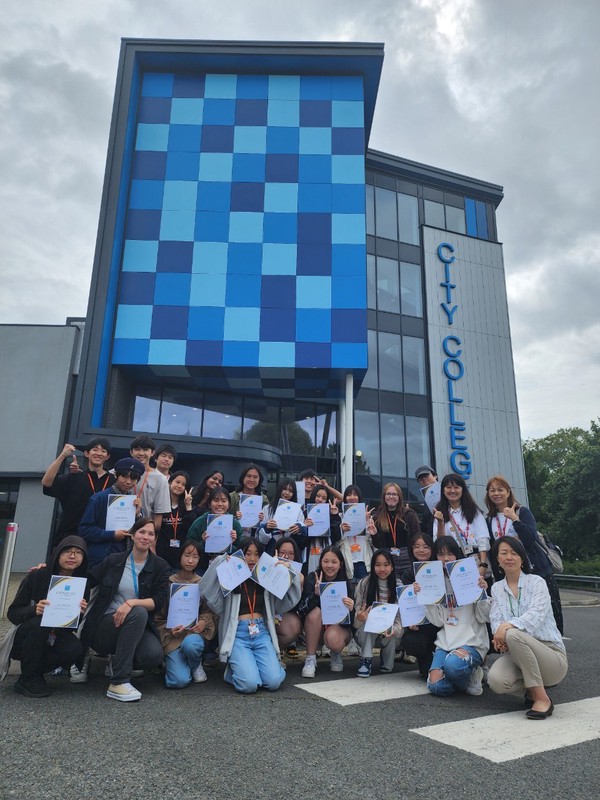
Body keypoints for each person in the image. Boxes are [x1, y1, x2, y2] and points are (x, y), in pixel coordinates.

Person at [80, 517, 170, 702]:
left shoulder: (160, 566)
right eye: (142, 532)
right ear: (132, 535)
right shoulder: (113, 561)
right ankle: (119, 681)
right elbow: (87, 580)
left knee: (152, 655)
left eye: (150, 534)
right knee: (138, 612)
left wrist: (132, 602)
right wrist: (52, 570)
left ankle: (118, 661)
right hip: (106, 624)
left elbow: (159, 601)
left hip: (136, 623)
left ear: (154, 539)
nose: (145, 537)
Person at [200, 537, 301, 694]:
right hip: (238, 634)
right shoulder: (232, 576)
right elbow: (205, 589)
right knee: (249, 685)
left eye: (256, 554)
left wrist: (287, 570)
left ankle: (257, 669)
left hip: (261, 632)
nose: (252, 559)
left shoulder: (265, 577)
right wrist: (221, 561)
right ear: (240, 554)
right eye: (247, 554)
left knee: (273, 682)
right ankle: (234, 672)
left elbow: (288, 601)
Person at [487, 537, 568, 719]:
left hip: (550, 655)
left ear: (522, 558)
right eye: (504, 553)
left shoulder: (537, 582)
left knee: (512, 633)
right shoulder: (497, 588)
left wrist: (506, 628)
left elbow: (536, 616)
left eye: (514, 553)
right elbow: (495, 620)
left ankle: (542, 698)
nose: (509, 557)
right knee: (496, 681)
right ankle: (531, 691)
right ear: (497, 559)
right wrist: (499, 635)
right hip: (518, 653)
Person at [7, 536, 89, 698]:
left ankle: (32, 674)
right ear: (57, 553)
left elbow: (71, 628)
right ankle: (30, 678)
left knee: (74, 648)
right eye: (67, 551)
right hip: (26, 636)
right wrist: (34, 610)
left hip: (55, 634)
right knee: (40, 623)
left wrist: (78, 614)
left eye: (78, 553)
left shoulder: (81, 583)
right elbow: (13, 613)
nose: (72, 556)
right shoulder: (37, 576)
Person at [485, 474, 563, 634]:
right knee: (516, 615)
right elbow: (494, 552)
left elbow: (530, 539)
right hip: (510, 575)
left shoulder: (522, 512)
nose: (496, 493)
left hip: (536, 570)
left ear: (508, 492)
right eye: (492, 490)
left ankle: (553, 645)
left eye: (500, 489)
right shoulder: (489, 520)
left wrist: (514, 519)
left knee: (547, 615)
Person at [415, 535, 490, 697]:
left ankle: (467, 671)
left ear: (457, 554)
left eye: (450, 553)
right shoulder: (435, 581)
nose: (446, 559)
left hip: (472, 641)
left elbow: (483, 617)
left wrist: (481, 593)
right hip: (446, 642)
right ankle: (467, 677)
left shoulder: (469, 576)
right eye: (441, 554)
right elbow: (437, 622)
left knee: (453, 666)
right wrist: (424, 596)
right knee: (435, 686)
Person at [155, 540, 217, 688]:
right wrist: (170, 629)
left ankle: (195, 665)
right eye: (187, 555)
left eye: (195, 557)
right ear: (180, 556)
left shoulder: (202, 583)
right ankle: (178, 664)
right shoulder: (169, 582)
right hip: (173, 637)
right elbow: (159, 616)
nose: (190, 560)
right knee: (178, 681)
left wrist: (203, 622)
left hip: (193, 635)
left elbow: (210, 612)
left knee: (191, 645)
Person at [42, 438, 114, 548]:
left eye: (103, 451)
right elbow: (46, 483)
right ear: (86, 453)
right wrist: (63, 455)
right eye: (95, 450)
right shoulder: (74, 477)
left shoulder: (114, 481)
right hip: (71, 539)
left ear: (107, 456)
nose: (99, 453)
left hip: (102, 540)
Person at [299, 545, 355, 678]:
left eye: (334, 562)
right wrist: (315, 595)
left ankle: (336, 653)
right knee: (315, 613)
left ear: (340, 564)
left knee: (333, 639)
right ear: (320, 562)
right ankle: (310, 658)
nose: (330, 565)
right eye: (326, 561)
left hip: (337, 629)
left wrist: (351, 609)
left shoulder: (345, 582)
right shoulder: (312, 578)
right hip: (315, 630)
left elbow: (352, 623)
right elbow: (302, 610)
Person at [78, 457, 145, 566]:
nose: (128, 482)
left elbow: (139, 532)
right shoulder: (99, 498)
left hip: (125, 558)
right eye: (124, 476)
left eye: (133, 478)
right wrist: (112, 534)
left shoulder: (134, 501)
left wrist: (138, 514)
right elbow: (84, 530)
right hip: (101, 558)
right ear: (116, 475)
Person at [354, 549, 403, 677]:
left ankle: (387, 661)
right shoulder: (364, 583)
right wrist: (360, 617)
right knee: (371, 623)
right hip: (366, 633)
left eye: (386, 565)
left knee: (388, 669)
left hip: (389, 633)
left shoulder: (398, 585)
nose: (382, 569)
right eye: (377, 565)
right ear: (372, 566)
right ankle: (365, 659)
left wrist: (394, 629)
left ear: (392, 567)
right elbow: (357, 614)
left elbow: (400, 617)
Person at [433, 473, 490, 577]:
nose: (452, 491)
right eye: (448, 487)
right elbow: (439, 542)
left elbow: (482, 538)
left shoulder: (474, 511)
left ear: (463, 489)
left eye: (456, 487)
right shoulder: (439, 511)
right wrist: (440, 522)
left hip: (474, 559)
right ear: (443, 490)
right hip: (451, 560)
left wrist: (483, 564)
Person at [400, 532, 440, 678]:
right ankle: (425, 661)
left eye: (426, 547)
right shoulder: (408, 574)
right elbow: (408, 603)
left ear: (432, 549)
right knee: (413, 640)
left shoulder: (440, 569)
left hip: (440, 620)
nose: (421, 550)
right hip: (420, 623)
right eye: (416, 546)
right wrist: (411, 620)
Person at [368, 482, 420, 579]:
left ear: (399, 497)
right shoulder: (377, 517)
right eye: (388, 494)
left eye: (394, 494)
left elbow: (416, 538)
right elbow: (377, 545)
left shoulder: (409, 515)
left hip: (407, 557)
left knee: (408, 584)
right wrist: (374, 534)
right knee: (391, 585)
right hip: (387, 559)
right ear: (384, 497)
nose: (391, 497)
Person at [187, 486, 243, 571]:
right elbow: (188, 547)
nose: (220, 504)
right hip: (202, 567)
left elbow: (240, 551)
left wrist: (232, 544)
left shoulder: (235, 524)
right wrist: (203, 542)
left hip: (227, 567)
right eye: (216, 500)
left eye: (224, 501)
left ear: (229, 504)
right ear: (209, 504)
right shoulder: (199, 522)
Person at [129, 434, 172, 530]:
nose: (141, 453)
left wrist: (152, 538)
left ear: (152, 453)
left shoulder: (160, 479)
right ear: (131, 452)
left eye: (145, 450)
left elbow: (158, 515)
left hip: (144, 531)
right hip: (118, 530)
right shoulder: (117, 473)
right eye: (137, 449)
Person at [156, 471, 197, 569]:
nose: (179, 486)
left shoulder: (186, 506)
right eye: (177, 482)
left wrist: (188, 506)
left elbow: (190, 527)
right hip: (161, 550)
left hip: (180, 552)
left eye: (183, 484)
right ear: (170, 482)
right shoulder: (160, 502)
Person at [258, 478, 307, 556]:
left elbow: (301, 539)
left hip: (290, 552)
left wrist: (299, 529)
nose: (287, 493)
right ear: (279, 489)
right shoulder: (267, 509)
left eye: (290, 491)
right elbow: (262, 540)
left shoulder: (298, 511)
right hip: (271, 551)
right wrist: (267, 528)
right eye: (284, 489)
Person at [273, 537, 304, 655]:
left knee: (293, 626)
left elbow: (296, 604)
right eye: (282, 553)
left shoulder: (299, 575)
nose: (286, 557)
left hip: (282, 615)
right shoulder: (265, 568)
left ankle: (275, 653)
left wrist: (299, 583)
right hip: (262, 614)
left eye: (291, 554)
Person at [338, 484, 372, 581]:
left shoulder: (366, 516)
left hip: (363, 561)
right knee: (349, 588)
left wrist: (366, 522)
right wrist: (341, 530)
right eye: (349, 495)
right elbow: (337, 542)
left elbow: (371, 540)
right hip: (347, 560)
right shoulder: (340, 517)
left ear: (359, 497)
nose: (352, 497)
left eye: (355, 494)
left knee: (363, 588)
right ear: (345, 498)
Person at [305, 484, 342, 574]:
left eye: (324, 498)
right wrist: (305, 527)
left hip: (326, 553)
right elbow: (300, 542)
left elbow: (336, 537)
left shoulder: (331, 514)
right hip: (309, 555)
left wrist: (334, 516)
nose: (320, 500)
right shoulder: (305, 513)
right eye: (318, 496)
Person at [229, 464, 268, 533]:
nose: (252, 480)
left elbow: (268, 522)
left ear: (259, 480)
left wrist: (263, 519)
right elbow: (224, 517)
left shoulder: (264, 499)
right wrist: (235, 518)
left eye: (255, 477)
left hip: (255, 536)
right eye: (249, 476)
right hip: (236, 536)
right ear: (243, 478)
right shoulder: (232, 497)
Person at [414, 465, 439, 536]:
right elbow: (425, 525)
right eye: (420, 478)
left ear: (435, 476)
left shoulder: (448, 492)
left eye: (426, 475)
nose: (424, 479)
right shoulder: (425, 502)